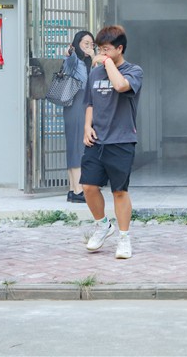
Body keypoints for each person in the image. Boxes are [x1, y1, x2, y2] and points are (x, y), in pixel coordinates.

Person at [80, 25, 143, 259]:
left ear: (120, 48)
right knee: (88, 187)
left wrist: (106, 63)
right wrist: (87, 127)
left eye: (106, 49)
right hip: (97, 139)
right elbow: (90, 103)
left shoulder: (134, 71)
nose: (101, 53)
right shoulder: (94, 74)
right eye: (100, 49)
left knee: (119, 192)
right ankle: (103, 225)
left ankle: (124, 238)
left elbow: (120, 86)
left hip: (122, 140)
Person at [62, 30, 94, 203]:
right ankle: (78, 190)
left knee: (76, 146)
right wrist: (70, 52)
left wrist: (94, 57)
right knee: (77, 146)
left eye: (91, 44)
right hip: (76, 103)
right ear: (77, 44)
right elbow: (68, 58)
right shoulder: (74, 60)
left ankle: (72, 189)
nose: (89, 47)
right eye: (85, 44)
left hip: (82, 104)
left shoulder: (89, 62)